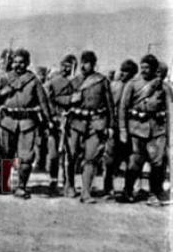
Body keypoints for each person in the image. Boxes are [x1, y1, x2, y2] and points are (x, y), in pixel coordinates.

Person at [0, 49, 52, 198]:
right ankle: (3, 185)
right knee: (5, 154)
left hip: (27, 122)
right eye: (15, 62)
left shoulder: (33, 80)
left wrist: (49, 120)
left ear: (27, 63)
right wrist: (5, 90)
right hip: (7, 121)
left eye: (21, 62)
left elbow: (43, 102)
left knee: (26, 157)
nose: (18, 65)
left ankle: (21, 187)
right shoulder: (4, 77)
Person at [119, 54, 170, 205]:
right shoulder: (132, 84)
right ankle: (128, 191)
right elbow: (123, 107)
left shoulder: (163, 87)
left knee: (157, 163)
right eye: (142, 67)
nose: (144, 70)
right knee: (135, 162)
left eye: (147, 68)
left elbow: (170, 110)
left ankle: (153, 193)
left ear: (154, 68)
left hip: (157, 130)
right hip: (136, 129)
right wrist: (123, 129)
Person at [65, 51, 113, 203]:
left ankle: (86, 192)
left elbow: (110, 105)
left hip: (96, 122)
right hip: (75, 122)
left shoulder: (102, 81)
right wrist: (70, 99)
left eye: (87, 62)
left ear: (93, 64)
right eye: (82, 62)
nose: (84, 66)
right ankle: (70, 185)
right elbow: (58, 98)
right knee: (71, 155)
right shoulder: (73, 81)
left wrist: (111, 125)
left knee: (91, 158)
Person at [102, 59, 138, 198]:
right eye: (121, 70)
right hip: (114, 127)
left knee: (131, 160)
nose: (122, 73)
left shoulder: (135, 87)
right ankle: (107, 187)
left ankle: (128, 189)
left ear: (133, 73)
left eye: (126, 71)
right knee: (110, 159)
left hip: (131, 129)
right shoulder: (113, 86)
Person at [44, 54, 77, 196]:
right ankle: (53, 180)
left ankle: (68, 183)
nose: (65, 68)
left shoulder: (77, 82)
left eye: (69, 66)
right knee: (53, 154)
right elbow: (45, 100)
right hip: (55, 122)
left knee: (70, 155)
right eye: (63, 65)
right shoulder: (52, 82)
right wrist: (50, 118)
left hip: (71, 122)